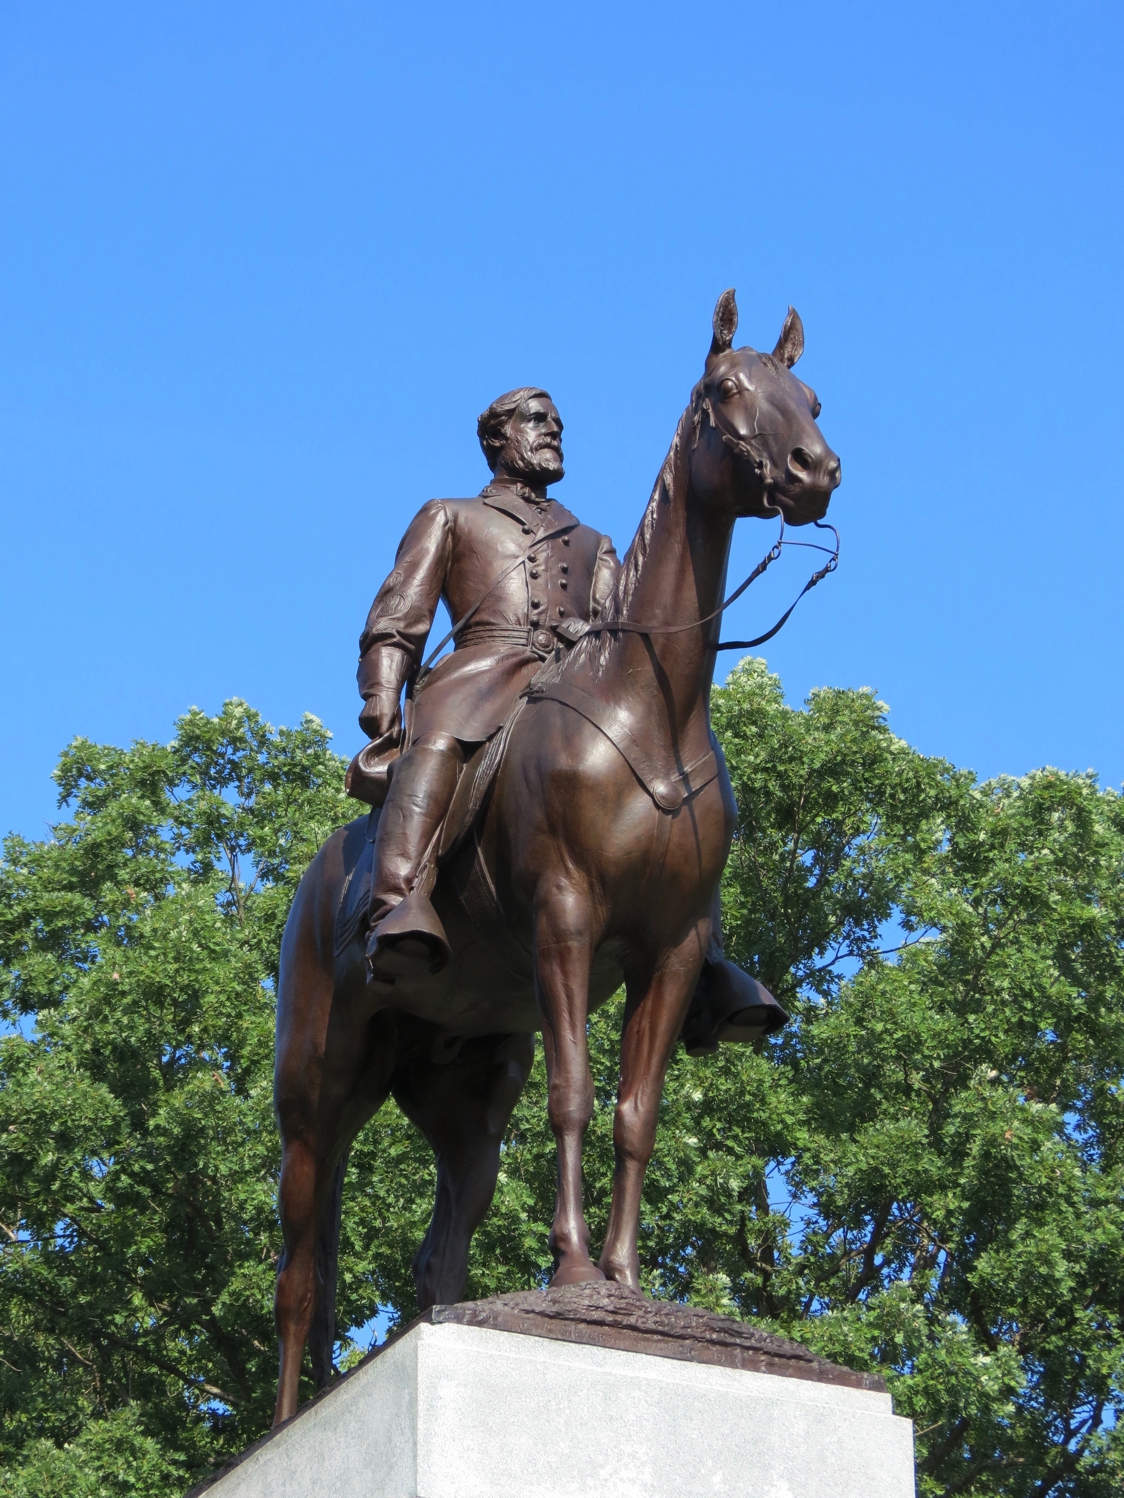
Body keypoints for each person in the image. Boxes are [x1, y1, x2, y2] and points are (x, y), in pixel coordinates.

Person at [356, 387, 617, 978]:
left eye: (557, 422)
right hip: (480, 673)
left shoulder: (593, 542)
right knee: (437, 748)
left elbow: (617, 632)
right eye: (536, 420)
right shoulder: (449, 515)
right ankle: (396, 905)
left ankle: (704, 955)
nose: (552, 430)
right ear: (496, 438)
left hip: (570, 682)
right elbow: (400, 613)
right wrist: (382, 692)